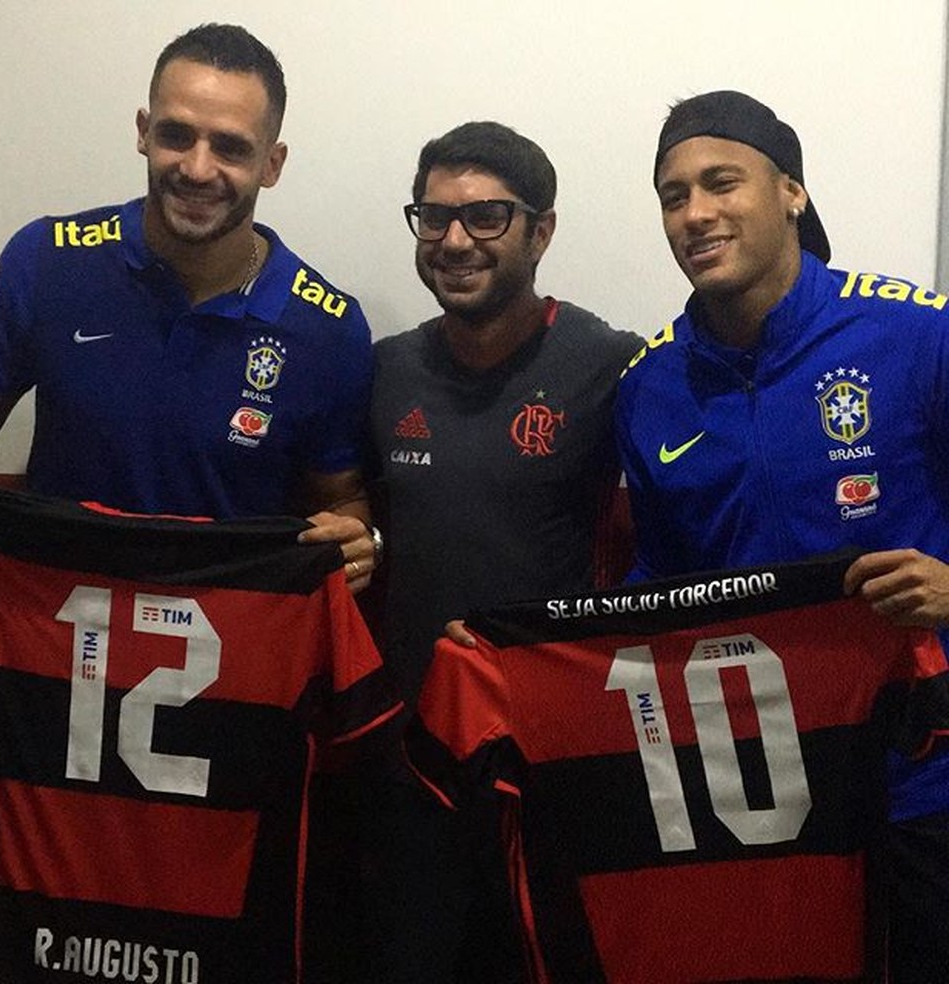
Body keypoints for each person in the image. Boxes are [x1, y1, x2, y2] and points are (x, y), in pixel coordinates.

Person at [614, 89, 949, 983]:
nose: (695, 213)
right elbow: (660, 583)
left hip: (924, 782)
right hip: (754, 800)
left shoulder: (916, 335)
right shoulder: (649, 387)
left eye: (721, 182)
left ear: (792, 192)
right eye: (673, 196)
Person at [364, 121, 642, 983]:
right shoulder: (382, 372)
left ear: (540, 230)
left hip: (551, 762)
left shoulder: (612, 366)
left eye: (486, 216)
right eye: (434, 217)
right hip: (410, 759)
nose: (455, 241)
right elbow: (349, 519)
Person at [0, 23, 378, 584]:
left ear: (272, 164)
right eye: (177, 135)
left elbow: (340, 499)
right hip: (52, 619)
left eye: (230, 147)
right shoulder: (46, 259)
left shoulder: (330, 327)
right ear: (143, 132)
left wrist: (356, 540)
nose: (198, 169)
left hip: (230, 629)